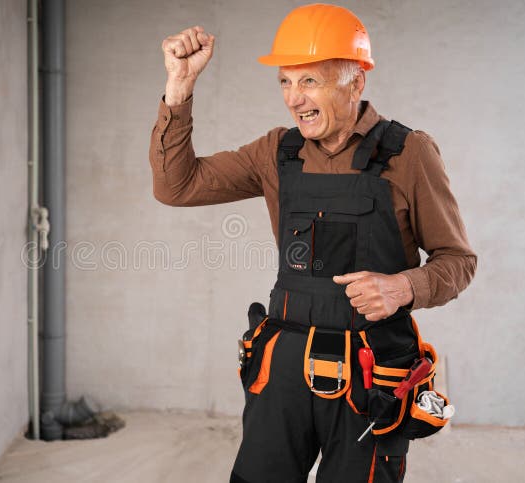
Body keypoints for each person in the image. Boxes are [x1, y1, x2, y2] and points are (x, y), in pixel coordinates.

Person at [149, 4, 477, 482]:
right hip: (283, 368)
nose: (293, 98)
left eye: (309, 82)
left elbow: (459, 261)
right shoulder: (276, 152)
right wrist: (179, 88)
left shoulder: (409, 154)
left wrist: (404, 286)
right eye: (285, 81)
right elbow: (175, 186)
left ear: (356, 82)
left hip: (372, 374)